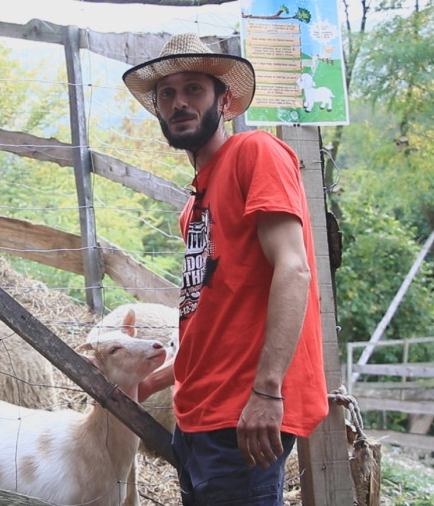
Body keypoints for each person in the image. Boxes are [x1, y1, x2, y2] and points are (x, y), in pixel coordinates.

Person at [123, 33, 329, 505]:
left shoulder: (254, 153)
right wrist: (147, 384)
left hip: (245, 415)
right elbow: (212, 323)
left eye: (194, 88)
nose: (179, 102)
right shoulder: (193, 208)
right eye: (167, 94)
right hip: (197, 417)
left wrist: (268, 392)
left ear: (225, 100)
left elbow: (294, 270)